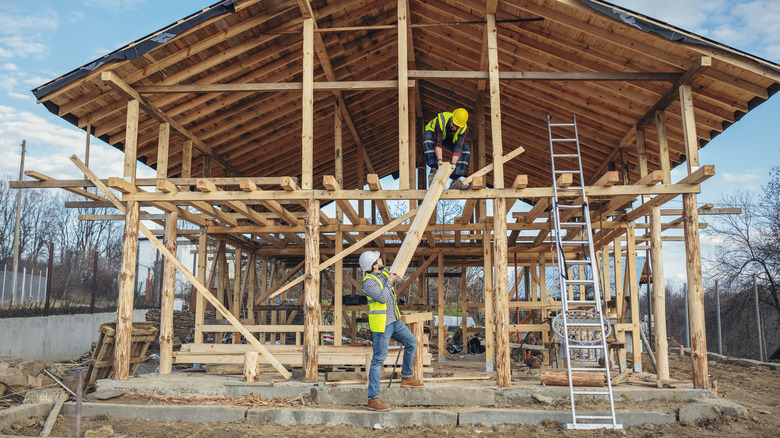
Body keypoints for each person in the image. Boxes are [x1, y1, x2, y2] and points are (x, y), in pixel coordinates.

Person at [359, 250, 423, 411]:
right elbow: (382, 297)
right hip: (382, 325)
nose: (381, 259)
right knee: (378, 360)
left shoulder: (383, 273)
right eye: (378, 259)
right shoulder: (368, 282)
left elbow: (396, 268)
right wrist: (391, 281)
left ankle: (406, 377)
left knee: (411, 342)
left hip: (394, 321)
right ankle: (373, 399)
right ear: (374, 265)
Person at [423, 108, 471, 190]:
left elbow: (458, 148)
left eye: (458, 127)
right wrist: (439, 161)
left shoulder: (464, 129)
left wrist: (453, 164)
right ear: (452, 118)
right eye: (454, 125)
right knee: (427, 137)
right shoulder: (441, 120)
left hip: (449, 138)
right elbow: (438, 143)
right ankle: (434, 170)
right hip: (434, 134)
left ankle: (455, 180)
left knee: (465, 150)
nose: (455, 128)